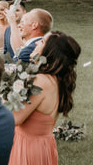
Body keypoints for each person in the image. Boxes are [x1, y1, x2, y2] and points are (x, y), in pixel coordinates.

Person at [9, 31, 81, 164]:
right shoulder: (56, 80)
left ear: (50, 52)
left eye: (42, 42)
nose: (36, 43)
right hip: (43, 146)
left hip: (29, 148)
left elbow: (15, 118)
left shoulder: (40, 81)